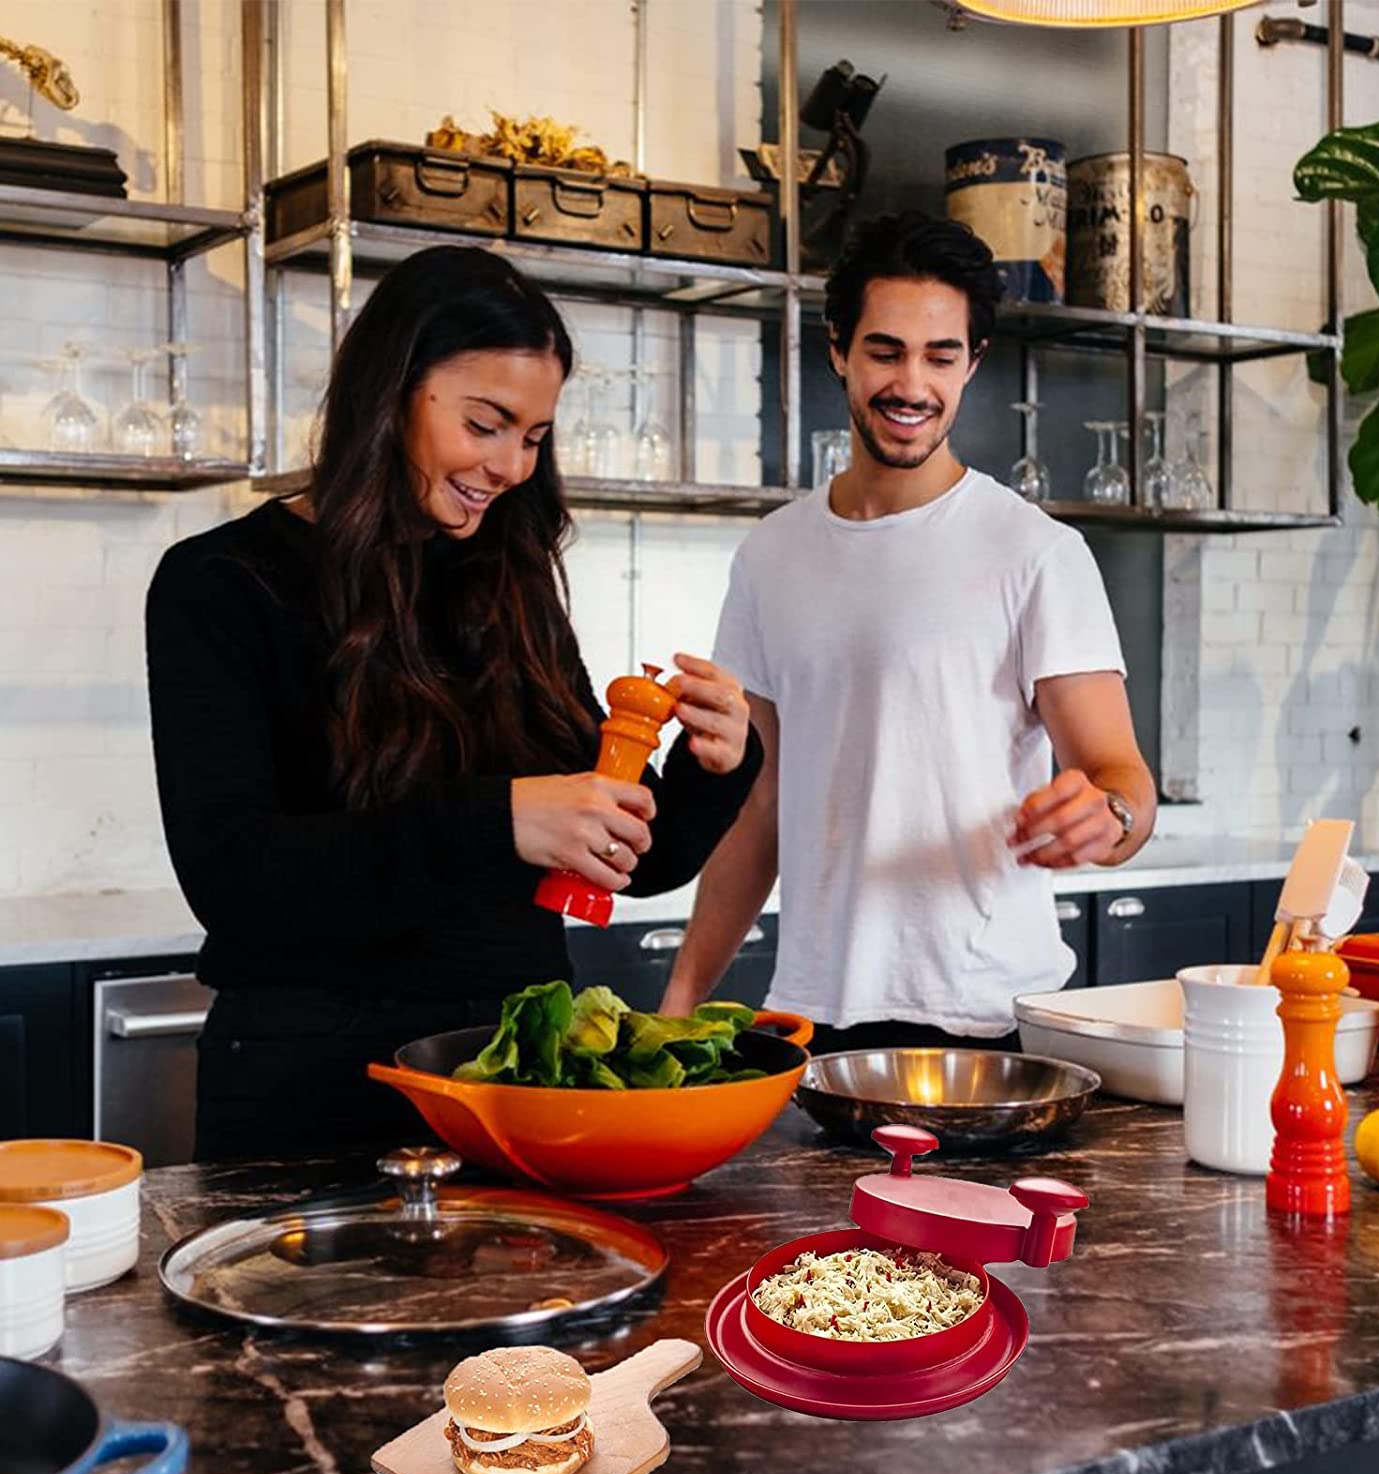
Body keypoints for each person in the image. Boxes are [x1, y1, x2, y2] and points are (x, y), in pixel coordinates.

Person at [146, 245, 760, 1160]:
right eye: (486, 423)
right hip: (311, 1092)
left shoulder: (509, 581)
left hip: (517, 1081)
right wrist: (499, 821)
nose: (511, 465)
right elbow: (234, 880)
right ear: (392, 390)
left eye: (535, 436)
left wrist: (714, 765)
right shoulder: (222, 583)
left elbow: (624, 860)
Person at [660, 210, 1155, 1054]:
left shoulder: (1037, 552)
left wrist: (1105, 818)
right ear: (838, 351)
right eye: (885, 351)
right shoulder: (772, 554)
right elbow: (759, 805)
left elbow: (1122, 783)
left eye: (941, 356)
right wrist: (676, 1007)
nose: (912, 384)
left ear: (974, 363)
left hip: (988, 1020)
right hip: (813, 1018)